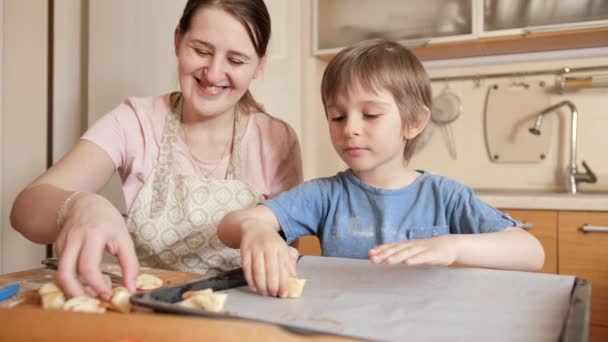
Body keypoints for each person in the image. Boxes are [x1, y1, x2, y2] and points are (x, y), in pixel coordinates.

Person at [10, 0, 302, 301]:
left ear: (260, 65)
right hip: (149, 314)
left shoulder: (276, 139)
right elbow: (25, 211)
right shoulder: (134, 121)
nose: (213, 73)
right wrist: (78, 206)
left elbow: (287, 255)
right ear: (178, 40)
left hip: (244, 317)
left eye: (236, 60)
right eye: (201, 50)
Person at [217, 39, 545, 299]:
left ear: (414, 123)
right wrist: (255, 230)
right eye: (338, 116)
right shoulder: (325, 195)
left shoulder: (444, 195)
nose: (351, 129)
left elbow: (531, 252)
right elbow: (229, 225)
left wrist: (453, 246)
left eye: (371, 114)